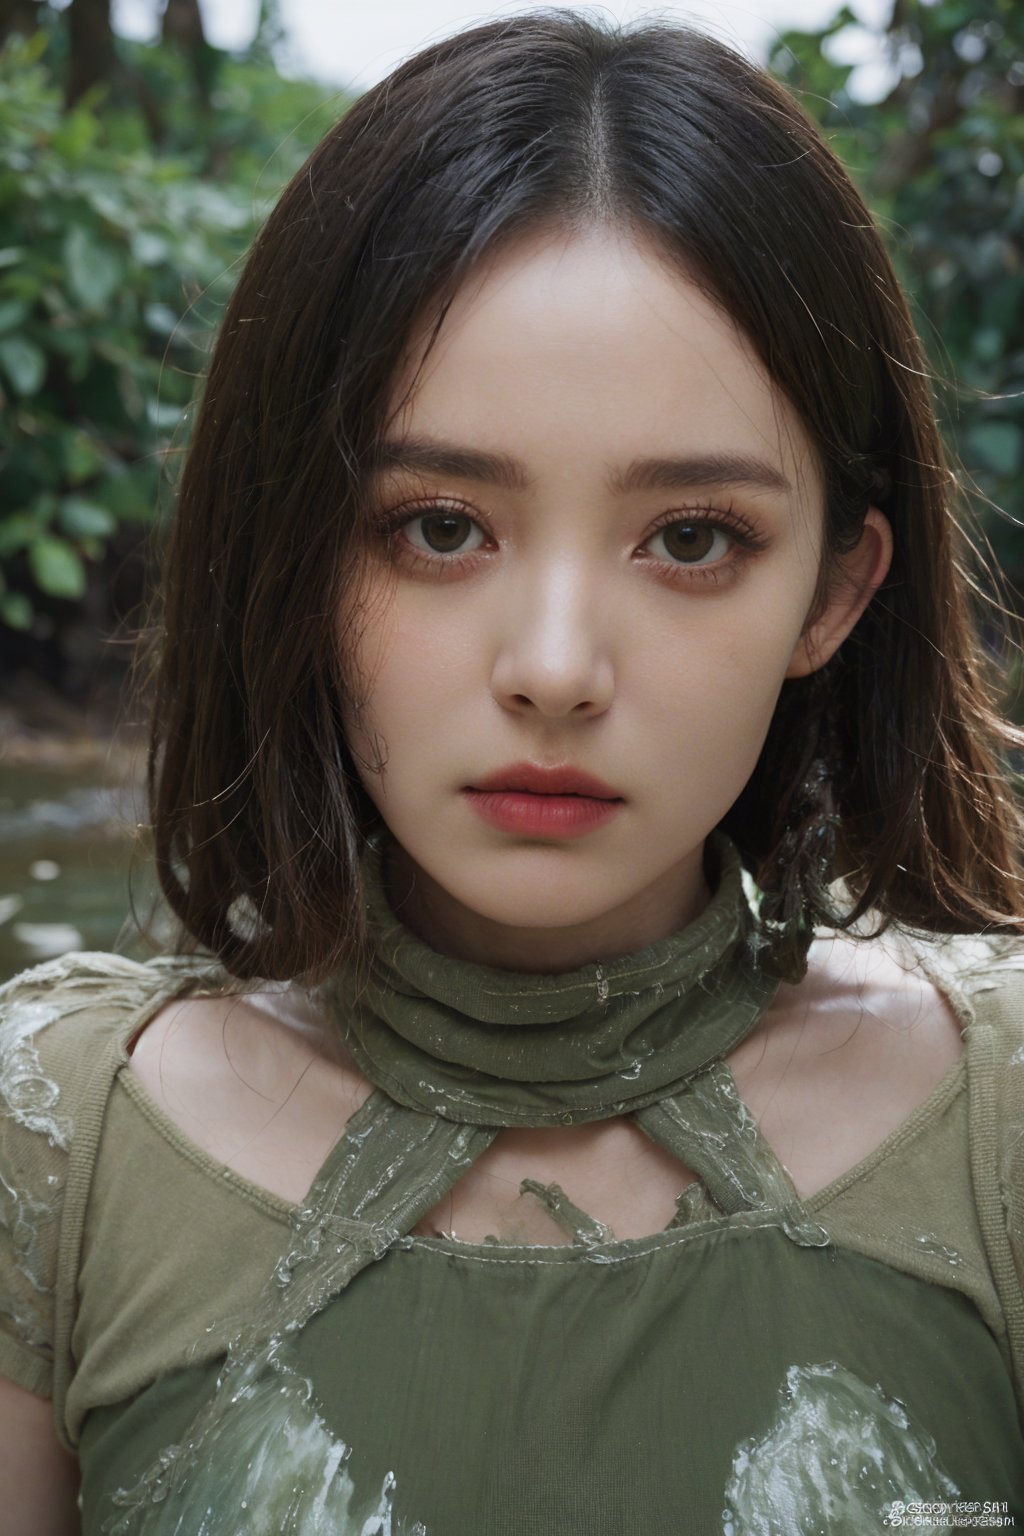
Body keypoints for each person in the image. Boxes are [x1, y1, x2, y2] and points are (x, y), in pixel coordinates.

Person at [3, 10, 1024, 1533]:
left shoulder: (1000, 1124)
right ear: (293, 549)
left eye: (692, 539)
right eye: (439, 525)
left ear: (833, 592)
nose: (554, 665)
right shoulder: (55, 1151)